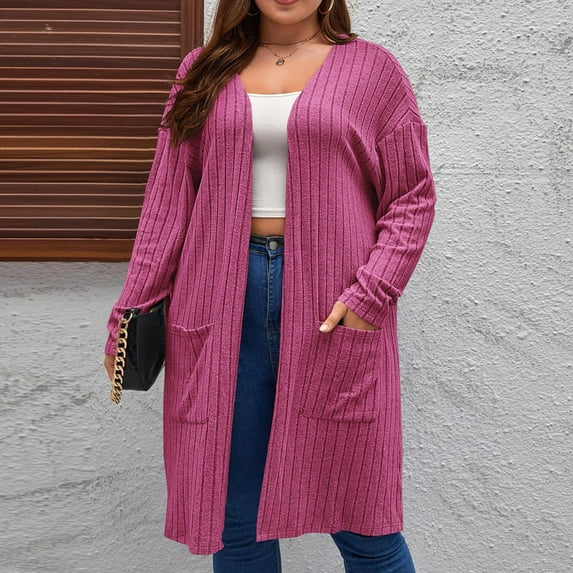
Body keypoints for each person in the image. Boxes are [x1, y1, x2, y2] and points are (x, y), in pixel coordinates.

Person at [103, 0, 435, 570]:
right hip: (217, 302)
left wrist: (371, 295)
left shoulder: (373, 70)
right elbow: (167, 202)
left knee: (365, 523)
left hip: (334, 307)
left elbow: (412, 197)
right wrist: (128, 315)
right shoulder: (203, 70)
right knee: (236, 522)